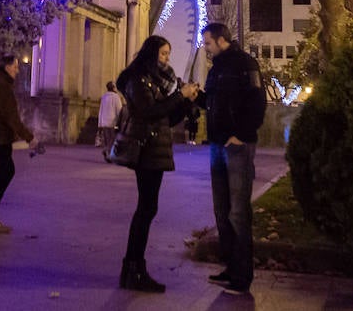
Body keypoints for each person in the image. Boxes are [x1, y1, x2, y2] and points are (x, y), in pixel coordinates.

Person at [116, 35, 200, 293]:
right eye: (163, 54)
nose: (166, 59)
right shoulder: (137, 78)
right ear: (151, 53)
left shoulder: (155, 80)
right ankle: (133, 269)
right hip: (145, 150)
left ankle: (133, 269)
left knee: (148, 208)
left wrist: (186, 101)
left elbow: (165, 117)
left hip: (156, 149)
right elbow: (147, 112)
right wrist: (178, 97)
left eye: (168, 54)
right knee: (145, 209)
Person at [197, 22, 266, 296]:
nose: (206, 48)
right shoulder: (216, 70)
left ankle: (242, 275)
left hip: (237, 146)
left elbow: (257, 101)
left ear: (222, 40)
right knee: (222, 211)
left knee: (238, 212)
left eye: (208, 43)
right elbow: (213, 103)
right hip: (217, 145)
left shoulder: (244, 64)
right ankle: (230, 268)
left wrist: (243, 133)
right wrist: (197, 98)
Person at [0, 54, 37, 234]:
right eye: (15, 67)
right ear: (6, 67)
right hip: (0, 137)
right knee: (0, 174)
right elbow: (12, 118)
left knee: (4, 172)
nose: (18, 70)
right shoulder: (2, 87)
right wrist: (30, 137)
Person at [97, 81, 122, 157]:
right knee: (113, 139)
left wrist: (100, 123)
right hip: (113, 122)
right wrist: (120, 121)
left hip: (104, 122)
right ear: (113, 88)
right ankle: (109, 153)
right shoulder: (116, 97)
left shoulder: (104, 97)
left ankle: (106, 150)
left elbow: (101, 110)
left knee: (107, 139)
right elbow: (119, 110)